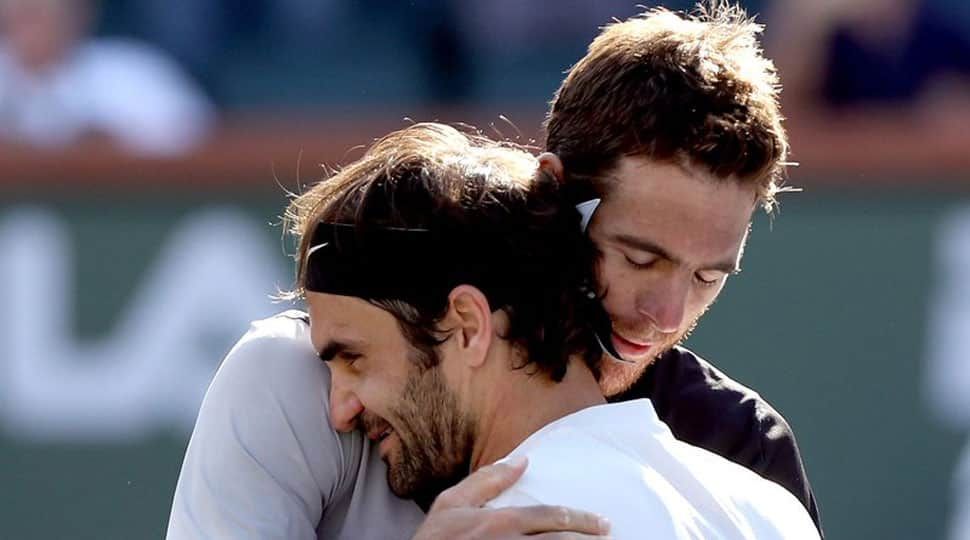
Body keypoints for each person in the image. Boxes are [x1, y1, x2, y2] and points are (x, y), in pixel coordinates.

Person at [168, 3, 821, 538]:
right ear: (553, 198)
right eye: (639, 257)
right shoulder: (291, 381)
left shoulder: (743, 451)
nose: (668, 314)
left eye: (708, 277)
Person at [296, 121, 818, 539]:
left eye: (354, 358)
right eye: (639, 259)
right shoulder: (770, 509)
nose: (340, 409)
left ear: (469, 325)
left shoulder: (515, 523)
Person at [0, 0, 212, 155]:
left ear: (78, 15)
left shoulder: (130, 72)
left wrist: (114, 143)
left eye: (39, 15)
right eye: (20, 16)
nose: (30, 29)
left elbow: (200, 137)